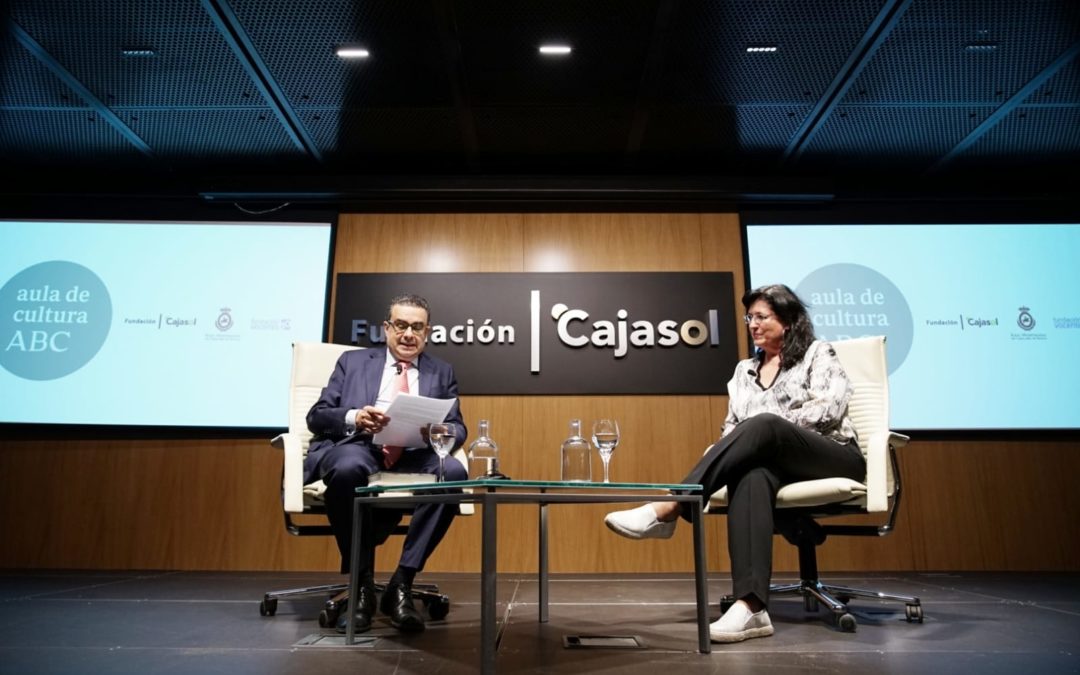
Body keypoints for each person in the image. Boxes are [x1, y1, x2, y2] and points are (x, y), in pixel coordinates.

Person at [603, 284, 865, 643]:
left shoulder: (818, 353)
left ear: (787, 320)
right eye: (749, 318)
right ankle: (751, 608)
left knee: (764, 425)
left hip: (832, 455)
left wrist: (769, 427)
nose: (752, 324)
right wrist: (752, 439)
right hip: (777, 463)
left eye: (761, 317)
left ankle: (672, 504)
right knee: (752, 473)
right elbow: (731, 429)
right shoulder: (744, 370)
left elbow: (829, 407)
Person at [304, 293, 468, 634]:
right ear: (386, 328)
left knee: (453, 472)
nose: (409, 334)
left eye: (417, 327)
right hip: (359, 447)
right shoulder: (353, 362)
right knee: (347, 468)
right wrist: (355, 416)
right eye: (401, 325)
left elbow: (459, 427)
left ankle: (402, 582)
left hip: (415, 453)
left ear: (428, 332)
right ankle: (360, 584)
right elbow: (316, 416)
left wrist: (440, 430)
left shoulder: (442, 371)